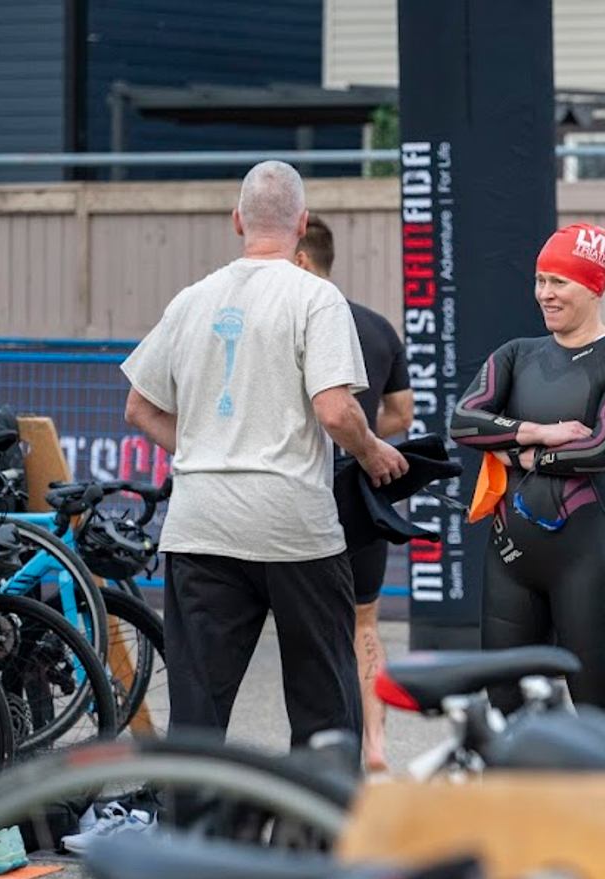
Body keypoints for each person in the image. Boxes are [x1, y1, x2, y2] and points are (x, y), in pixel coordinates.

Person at [122, 160, 408, 750]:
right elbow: (335, 410)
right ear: (302, 224)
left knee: (199, 712)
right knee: (323, 704)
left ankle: (189, 836)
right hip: (292, 526)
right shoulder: (316, 298)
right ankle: (317, 835)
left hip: (200, 526)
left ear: (237, 221)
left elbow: (140, 410)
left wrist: (206, 447)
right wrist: (373, 450)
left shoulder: (191, 300)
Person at [449, 224, 605, 710]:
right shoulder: (518, 354)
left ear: (594, 286)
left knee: (598, 719)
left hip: (589, 562)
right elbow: (462, 422)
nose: (544, 294)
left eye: (559, 282)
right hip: (511, 563)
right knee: (505, 712)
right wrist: (536, 433)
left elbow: (602, 449)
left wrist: (517, 455)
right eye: (540, 280)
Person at [292, 212, 414, 772]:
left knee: (309, 626)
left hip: (304, 487)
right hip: (364, 491)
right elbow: (400, 415)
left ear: (301, 260)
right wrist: (364, 439)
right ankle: (376, 747)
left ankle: (322, 750)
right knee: (366, 621)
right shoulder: (377, 326)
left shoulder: (293, 321)